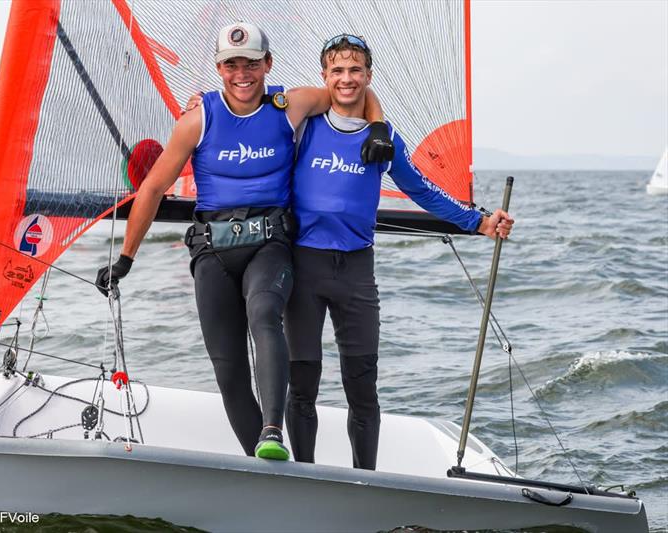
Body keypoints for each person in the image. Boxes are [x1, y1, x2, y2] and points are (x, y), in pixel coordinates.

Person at [96, 24, 392, 461]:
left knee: (264, 312)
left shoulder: (288, 106)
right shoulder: (198, 119)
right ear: (219, 69)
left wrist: (379, 127)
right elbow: (154, 188)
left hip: (270, 243)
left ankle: (273, 430)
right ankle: (264, 463)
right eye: (232, 64)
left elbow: (350, 91)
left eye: (252, 63)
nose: (242, 73)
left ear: (267, 65)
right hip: (213, 249)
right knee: (229, 367)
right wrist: (125, 259)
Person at [284, 34, 514, 470]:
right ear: (325, 77)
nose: (346, 79)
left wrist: (478, 220)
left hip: (355, 272)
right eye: (337, 70)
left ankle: (365, 481)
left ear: (368, 76)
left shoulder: (384, 137)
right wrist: (203, 103)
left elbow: (421, 189)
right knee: (302, 385)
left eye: (355, 70)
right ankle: (304, 476)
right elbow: (252, 104)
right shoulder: (305, 127)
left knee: (362, 388)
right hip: (304, 268)